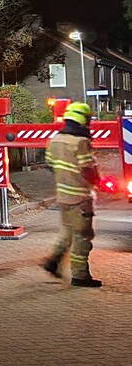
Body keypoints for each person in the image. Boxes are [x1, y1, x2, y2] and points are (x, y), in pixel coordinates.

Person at [42, 102, 102, 287]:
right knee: (82, 237)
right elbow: (88, 169)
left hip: (63, 195)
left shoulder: (56, 139)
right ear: (83, 119)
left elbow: (50, 164)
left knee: (68, 232)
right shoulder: (81, 142)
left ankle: (53, 261)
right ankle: (80, 275)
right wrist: (97, 181)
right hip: (80, 198)